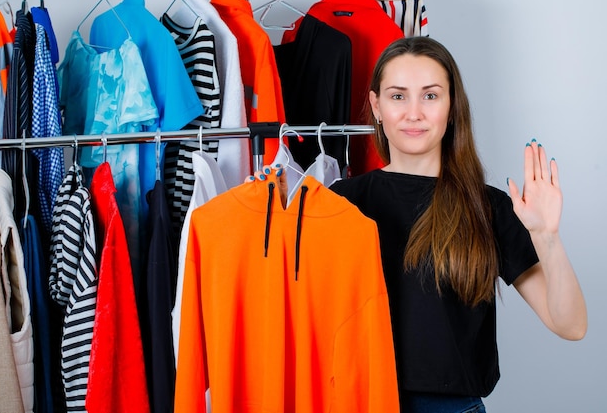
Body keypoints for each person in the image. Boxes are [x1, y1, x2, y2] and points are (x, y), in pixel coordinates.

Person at [247, 36, 587, 413]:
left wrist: (547, 236)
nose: (413, 113)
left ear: (452, 106)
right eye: (397, 96)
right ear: (376, 106)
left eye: (430, 96)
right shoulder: (340, 202)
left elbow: (570, 325)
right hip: (355, 400)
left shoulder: (488, 207)